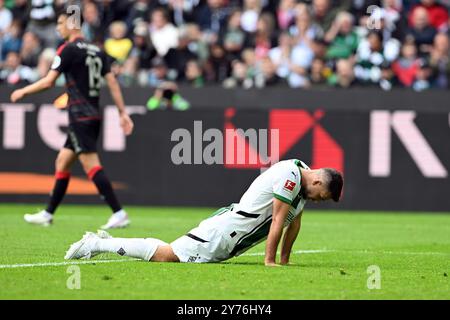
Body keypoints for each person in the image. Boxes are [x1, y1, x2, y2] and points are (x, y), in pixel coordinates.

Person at [65, 159, 343, 267]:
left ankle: (102, 241)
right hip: (224, 232)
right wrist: (270, 261)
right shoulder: (291, 177)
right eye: (323, 196)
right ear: (317, 182)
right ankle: (97, 243)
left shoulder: (302, 183)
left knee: (169, 254)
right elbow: (279, 221)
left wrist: (285, 260)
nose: (319, 201)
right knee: (167, 254)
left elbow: (293, 225)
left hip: (231, 238)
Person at [10, 10, 134, 229]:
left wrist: (23, 91)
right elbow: (112, 83)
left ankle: (119, 212)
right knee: (62, 161)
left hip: (80, 116)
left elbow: (49, 82)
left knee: (91, 164)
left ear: (72, 24)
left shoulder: (68, 50)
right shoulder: (97, 50)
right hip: (94, 114)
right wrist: (123, 112)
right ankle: (48, 213)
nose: (58, 28)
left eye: (60, 23)